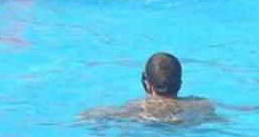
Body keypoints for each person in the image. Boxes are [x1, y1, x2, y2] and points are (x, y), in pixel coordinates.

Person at [80, 52, 216, 124]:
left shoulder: (134, 110)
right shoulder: (203, 106)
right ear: (180, 84)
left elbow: (86, 116)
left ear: (146, 84)